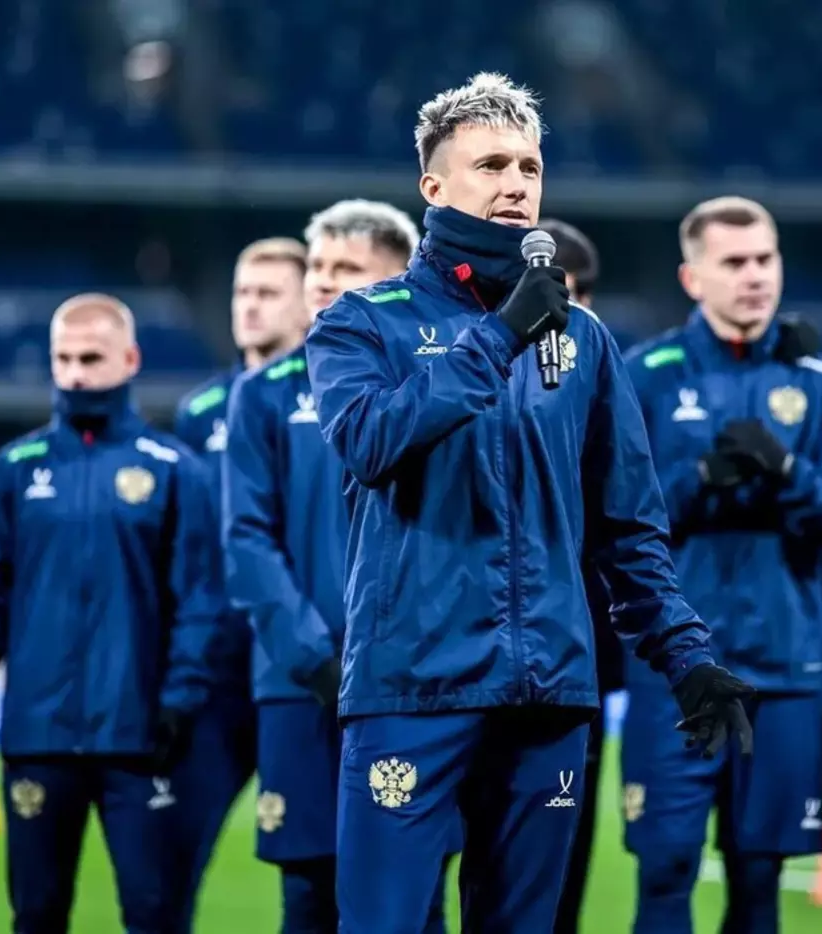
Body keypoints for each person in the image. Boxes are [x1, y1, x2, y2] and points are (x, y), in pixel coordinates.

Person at [304, 72, 754, 934]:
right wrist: (502, 334)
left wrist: (688, 657)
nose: (516, 183)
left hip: (548, 694)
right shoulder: (361, 323)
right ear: (434, 187)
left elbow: (628, 527)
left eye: (530, 167)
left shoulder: (584, 341)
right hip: (412, 687)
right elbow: (370, 441)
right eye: (491, 166)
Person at [620, 196, 822, 934]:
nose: (755, 276)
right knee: (665, 868)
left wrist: (788, 473)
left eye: (765, 258)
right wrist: (700, 479)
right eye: (734, 262)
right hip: (675, 671)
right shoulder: (647, 375)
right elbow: (612, 520)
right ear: (692, 277)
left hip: (784, 669)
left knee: (760, 878)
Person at [0, 293, 221, 933]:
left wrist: (180, 699)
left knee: (155, 914)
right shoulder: (14, 470)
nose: (74, 374)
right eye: (63, 359)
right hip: (38, 734)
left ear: (129, 359)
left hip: (142, 737)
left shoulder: (174, 471)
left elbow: (199, 600)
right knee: (36, 913)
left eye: (90, 358)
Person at [223, 201, 427, 934]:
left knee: (417, 890)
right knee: (309, 892)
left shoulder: (430, 387)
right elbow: (247, 540)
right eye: (317, 266)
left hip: (416, 680)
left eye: (346, 268)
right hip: (301, 682)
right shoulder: (262, 394)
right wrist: (311, 655)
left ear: (397, 280)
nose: (321, 281)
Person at [170, 235, 310, 931]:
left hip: (301, 666)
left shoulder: (334, 396)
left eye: (267, 293)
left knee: (310, 873)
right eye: (241, 293)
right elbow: (187, 547)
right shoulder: (200, 412)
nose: (249, 307)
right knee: (168, 864)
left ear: (308, 303)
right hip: (218, 672)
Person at [534, 217, 620, 934]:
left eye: (581, 292)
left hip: (581, 666)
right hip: (476, 662)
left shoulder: (609, 381)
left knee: (561, 874)